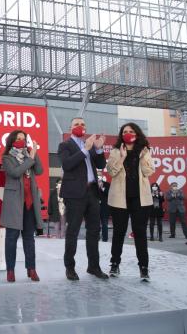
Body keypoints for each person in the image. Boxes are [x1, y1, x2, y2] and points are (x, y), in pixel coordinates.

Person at [58, 117, 108, 281]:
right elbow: (67, 165)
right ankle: (70, 268)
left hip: (92, 193)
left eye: (83, 124)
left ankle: (93, 266)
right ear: (70, 127)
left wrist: (99, 150)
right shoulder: (65, 145)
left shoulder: (90, 145)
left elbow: (100, 165)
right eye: (76, 124)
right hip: (74, 194)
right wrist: (85, 150)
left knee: (94, 231)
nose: (80, 126)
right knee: (72, 231)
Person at [106, 122, 154, 281]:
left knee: (140, 234)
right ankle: (114, 264)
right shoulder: (115, 151)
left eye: (131, 131)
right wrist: (122, 157)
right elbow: (112, 171)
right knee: (119, 233)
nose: (127, 133)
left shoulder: (145, 150)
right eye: (124, 131)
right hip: (119, 199)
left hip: (140, 199)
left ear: (136, 133)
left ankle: (144, 267)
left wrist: (142, 157)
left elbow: (149, 171)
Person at [0, 131, 43, 282]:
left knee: (29, 238)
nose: (21, 141)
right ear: (12, 140)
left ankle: (31, 269)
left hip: (29, 203)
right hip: (14, 202)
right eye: (18, 139)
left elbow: (39, 170)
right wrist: (30, 159)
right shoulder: (7, 158)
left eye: (24, 139)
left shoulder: (28, 155)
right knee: (11, 238)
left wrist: (34, 154)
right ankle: (10, 270)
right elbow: (15, 172)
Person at [98, 174, 111, 242]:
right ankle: (96, 237)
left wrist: (102, 188)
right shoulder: (94, 185)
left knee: (104, 223)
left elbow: (109, 193)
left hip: (105, 207)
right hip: (96, 207)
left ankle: (105, 238)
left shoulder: (107, 184)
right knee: (96, 223)